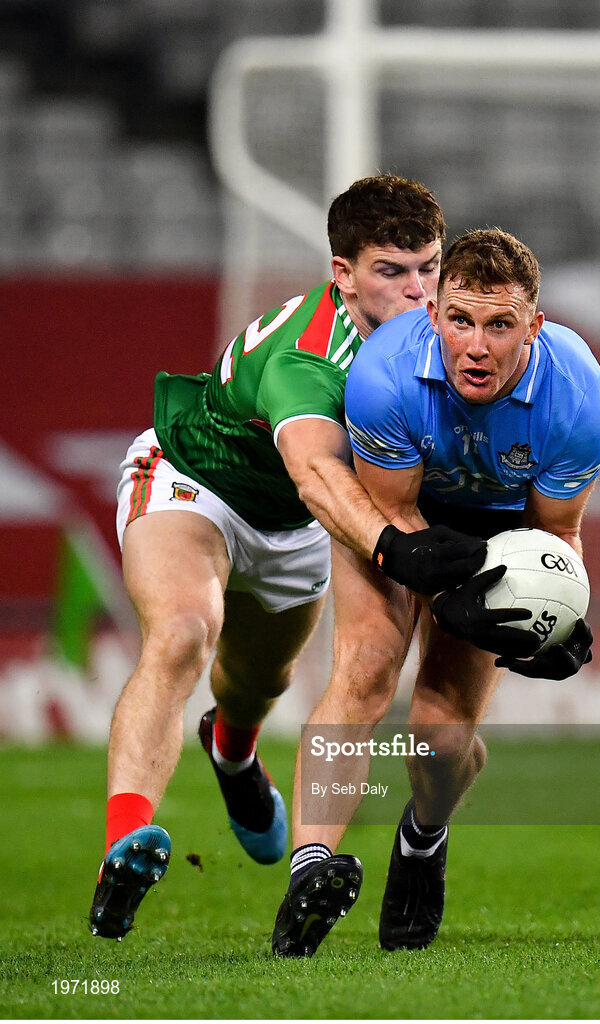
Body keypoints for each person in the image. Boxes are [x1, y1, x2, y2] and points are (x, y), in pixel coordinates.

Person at [88, 174, 491, 941]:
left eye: (428, 267)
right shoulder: (307, 357)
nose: (417, 291)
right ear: (342, 275)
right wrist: (396, 547)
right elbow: (315, 473)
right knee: (181, 634)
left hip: (299, 528)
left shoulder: (450, 327)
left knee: (256, 684)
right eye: (390, 271)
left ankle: (232, 749)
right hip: (198, 482)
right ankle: (124, 844)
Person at [271, 228, 600, 957]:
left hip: (499, 533)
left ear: (534, 326)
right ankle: (309, 874)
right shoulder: (385, 373)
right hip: (395, 515)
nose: (477, 346)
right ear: (434, 316)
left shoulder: (577, 397)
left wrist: (554, 617)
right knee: (365, 669)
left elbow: (555, 532)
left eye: (499, 325)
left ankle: (423, 837)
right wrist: (417, 565)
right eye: (460, 320)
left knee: (439, 733)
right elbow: (389, 516)